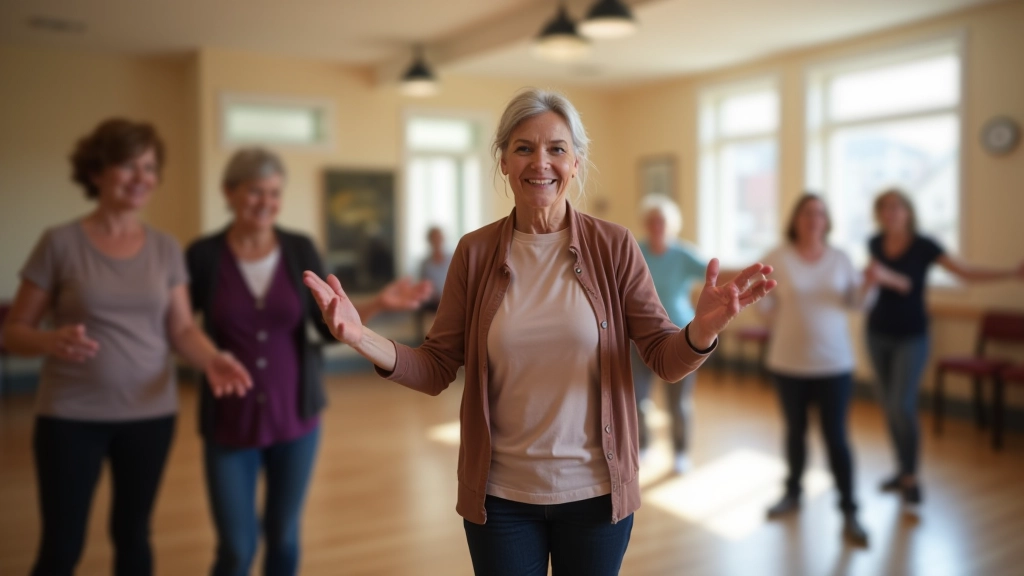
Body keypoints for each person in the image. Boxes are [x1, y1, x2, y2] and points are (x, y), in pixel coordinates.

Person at [302, 88, 776, 576]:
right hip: (501, 499)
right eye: (524, 148)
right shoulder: (475, 252)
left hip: (597, 496)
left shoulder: (614, 247)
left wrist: (701, 329)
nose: (540, 163)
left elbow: (662, 356)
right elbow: (437, 366)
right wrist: (361, 337)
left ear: (576, 161)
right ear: (504, 161)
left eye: (556, 148)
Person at [1, 118, 251, 576]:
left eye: (150, 167)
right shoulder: (59, 243)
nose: (142, 178)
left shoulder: (165, 248)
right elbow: (14, 331)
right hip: (70, 416)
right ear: (96, 172)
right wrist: (47, 340)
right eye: (128, 165)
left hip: (149, 415)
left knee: (133, 536)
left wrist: (213, 358)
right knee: (62, 546)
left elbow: (180, 329)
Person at [186, 147, 430, 576]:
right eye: (255, 191)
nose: (266, 202)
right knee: (236, 550)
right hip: (228, 421)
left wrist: (376, 304)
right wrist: (204, 358)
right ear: (229, 192)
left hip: (295, 420)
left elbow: (325, 328)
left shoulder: (299, 249)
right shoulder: (204, 255)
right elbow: (179, 326)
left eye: (274, 193)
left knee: (283, 537)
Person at [866, 188, 1024, 511]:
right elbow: (872, 280)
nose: (890, 213)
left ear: (908, 212)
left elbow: (964, 273)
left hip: (912, 336)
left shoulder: (925, 245)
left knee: (902, 405)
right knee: (888, 405)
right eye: (884, 208)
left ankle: (911, 477)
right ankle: (900, 469)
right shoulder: (874, 243)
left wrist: (1010, 272)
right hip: (877, 332)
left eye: (896, 207)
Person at [759, 194, 894, 547]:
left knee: (836, 438)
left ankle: (850, 511)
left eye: (820, 213)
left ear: (827, 220)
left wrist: (870, 284)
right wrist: (762, 301)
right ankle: (792, 493)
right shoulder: (778, 256)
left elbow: (857, 303)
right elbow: (766, 307)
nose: (813, 219)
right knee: (795, 432)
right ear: (796, 219)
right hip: (788, 362)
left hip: (834, 365)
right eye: (807, 213)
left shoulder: (840, 258)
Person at [631, 195, 706, 474]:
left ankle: (681, 452)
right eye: (652, 221)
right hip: (638, 337)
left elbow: (713, 275)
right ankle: (643, 446)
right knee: (638, 399)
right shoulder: (635, 250)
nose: (656, 226)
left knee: (679, 402)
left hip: (679, 336)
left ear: (671, 225)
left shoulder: (684, 254)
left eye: (661, 221)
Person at [416, 226, 452, 340]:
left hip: (451, 296)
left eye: (439, 237)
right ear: (430, 241)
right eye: (434, 238)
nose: (437, 241)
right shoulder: (425, 263)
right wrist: (435, 295)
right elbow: (425, 285)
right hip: (434, 299)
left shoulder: (452, 259)